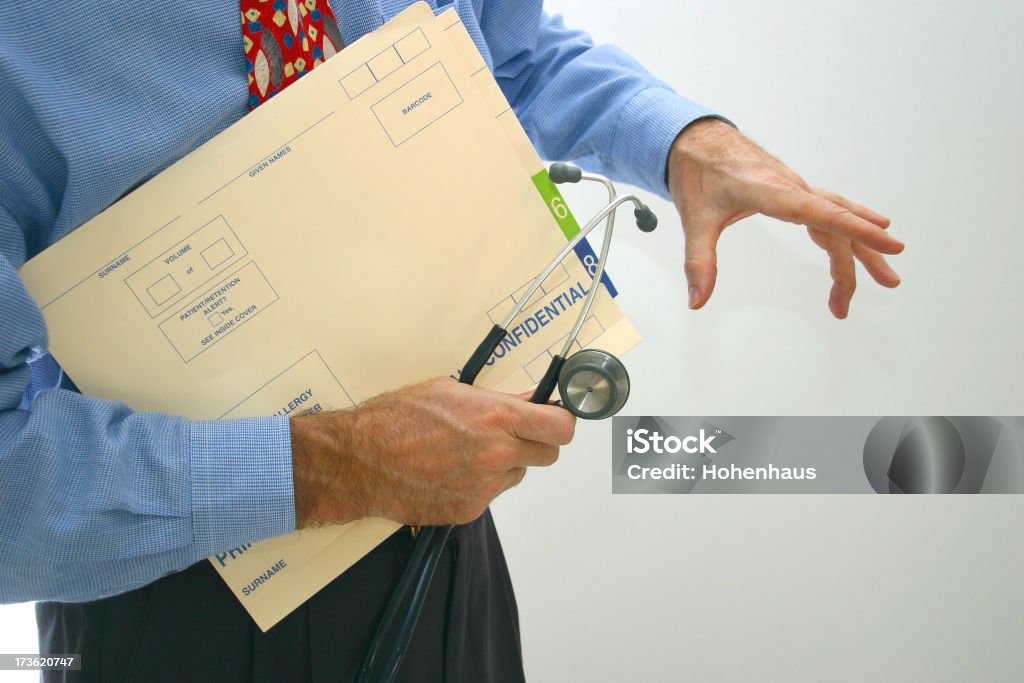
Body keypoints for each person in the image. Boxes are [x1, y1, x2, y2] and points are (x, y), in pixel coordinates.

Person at [0, 0, 903, 680]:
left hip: (440, 523)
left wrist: (684, 139)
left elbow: (506, 54)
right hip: (162, 576)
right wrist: (334, 464)